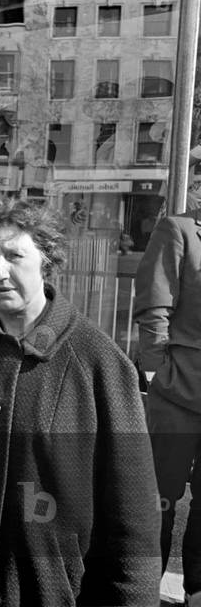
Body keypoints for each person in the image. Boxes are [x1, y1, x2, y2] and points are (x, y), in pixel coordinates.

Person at [0, 198, 159, 605]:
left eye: (14, 256)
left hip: (54, 590)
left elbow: (134, 512)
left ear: (46, 261)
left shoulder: (99, 361)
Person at [135, 202, 201, 604]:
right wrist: (156, 370)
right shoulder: (179, 231)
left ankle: (196, 589)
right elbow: (154, 303)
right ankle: (142, 587)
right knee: (158, 496)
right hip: (178, 390)